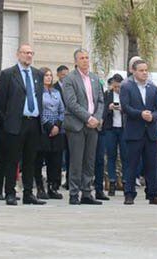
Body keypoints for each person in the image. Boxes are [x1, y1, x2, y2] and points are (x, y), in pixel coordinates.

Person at [0, 43, 45, 206]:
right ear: (18, 54)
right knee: (12, 159)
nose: (28, 56)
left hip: (33, 122)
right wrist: (5, 121)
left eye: (31, 53)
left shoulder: (37, 74)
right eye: (25, 53)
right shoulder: (8, 74)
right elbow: (0, 101)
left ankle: (28, 193)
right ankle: (10, 192)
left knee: (30, 160)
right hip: (16, 123)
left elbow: (39, 97)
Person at [61, 48, 104, 205]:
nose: (85, 60)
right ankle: (74, 193)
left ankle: (87, 192)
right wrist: (88, 117)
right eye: (82, 58)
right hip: (77, 125)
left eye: (87, 57)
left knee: (89, 160)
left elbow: (100, 100)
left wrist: (97, 118)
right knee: (76, 161)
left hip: (93, 126)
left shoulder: (94, 78)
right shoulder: (70, 79)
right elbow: (71, 103)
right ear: (76, 61)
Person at [119, 59, 157, 205]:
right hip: (134, 131)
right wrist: (140, 114)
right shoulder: (126, 86)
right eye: (141, 70)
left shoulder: (152, 88)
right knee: (132, 164)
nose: (144, 73)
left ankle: (153, 194)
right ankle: (129, 194)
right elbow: (125, 107)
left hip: (150, 132)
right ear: (133, 71)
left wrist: (153, 116)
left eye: (146, 70)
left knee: (152, 164)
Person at [36, 67, 66, 200]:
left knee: (55, 160)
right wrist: (48, 125)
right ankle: (40, 187)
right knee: (40, 159)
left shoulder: (56, 92)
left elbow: (62, 110)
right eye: (45, 75)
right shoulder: (37, 92)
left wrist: (57, 125)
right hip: (43, 130)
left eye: (50, 75)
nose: (48, 77)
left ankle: (53, 187)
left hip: (57, 130)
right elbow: (38, 110)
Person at [94, 73, 124, 200]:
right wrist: (109, 107)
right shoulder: (107, 95)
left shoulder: (126, 94)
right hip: (110, 128)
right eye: (115, 86)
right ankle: (111, 181)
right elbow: (102, 111)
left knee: (125, 156)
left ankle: (125, 182)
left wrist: (123, 108)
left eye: (119, 87)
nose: (117, 89)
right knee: (110, 156)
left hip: (123, 128)